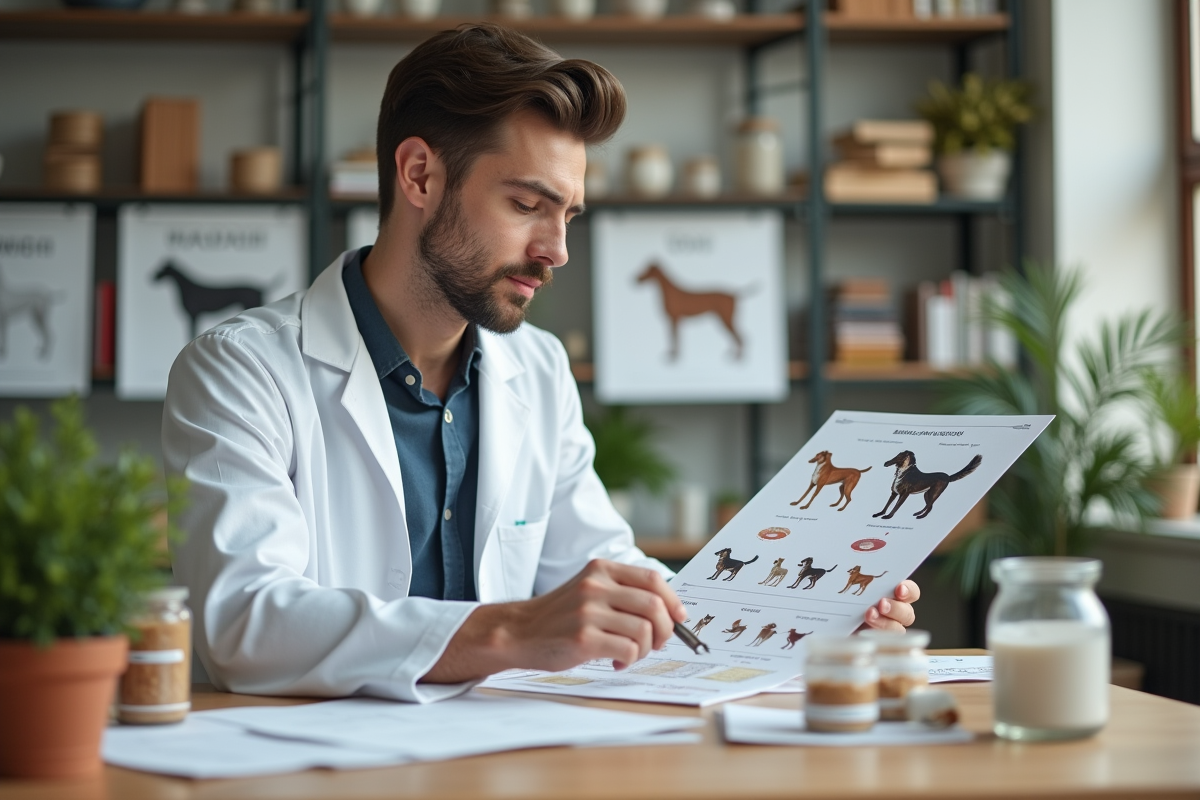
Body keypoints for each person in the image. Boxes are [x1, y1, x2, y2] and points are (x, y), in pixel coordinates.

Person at [164, 23, 920, 703]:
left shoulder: (538, 369)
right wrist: (512, 631)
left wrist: (808, 631)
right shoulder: (240, 371)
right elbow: (243, 623)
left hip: (511, 765)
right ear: (420, 175)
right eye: (528, 205)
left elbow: (613, 585)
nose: (556, 250)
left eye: (567, 215)